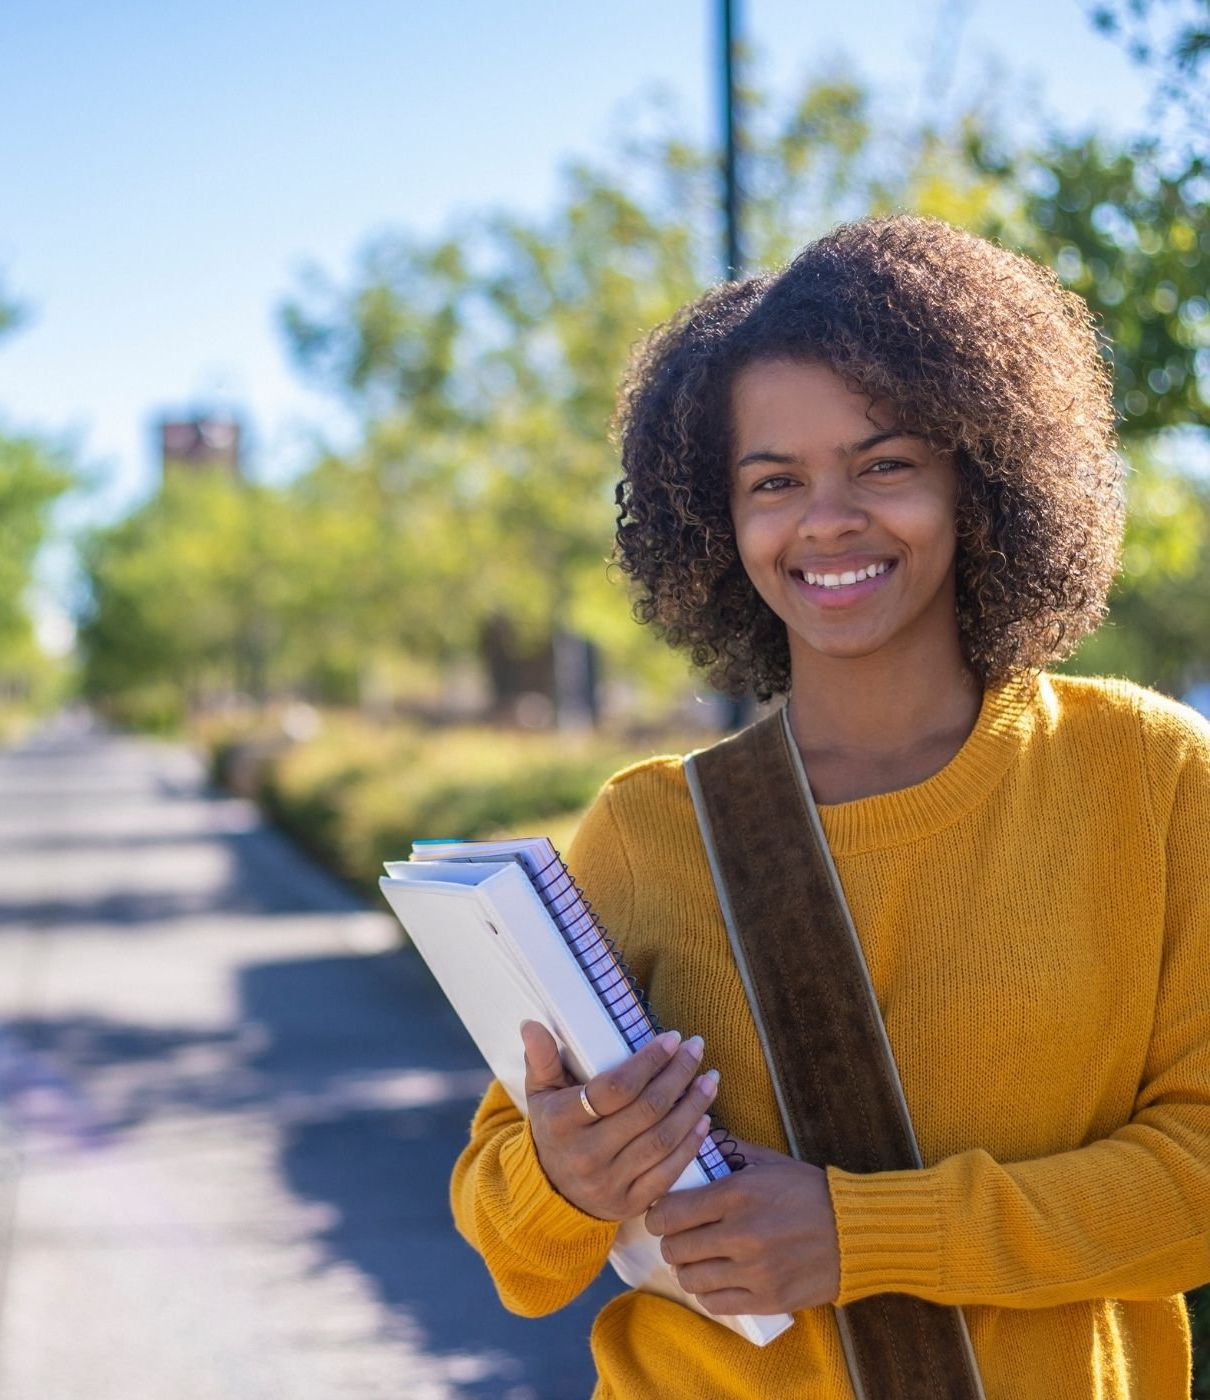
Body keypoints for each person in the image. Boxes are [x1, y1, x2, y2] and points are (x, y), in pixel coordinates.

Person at [449, 215, 1210, 1398]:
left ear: (982, 474)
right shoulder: (650, 829)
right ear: (717, 520)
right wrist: (564, 1174)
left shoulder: (1150, 778)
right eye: (772, 481)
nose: (825, 518)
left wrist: (863, 1233)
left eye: (883, 463)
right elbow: (512, 1245)